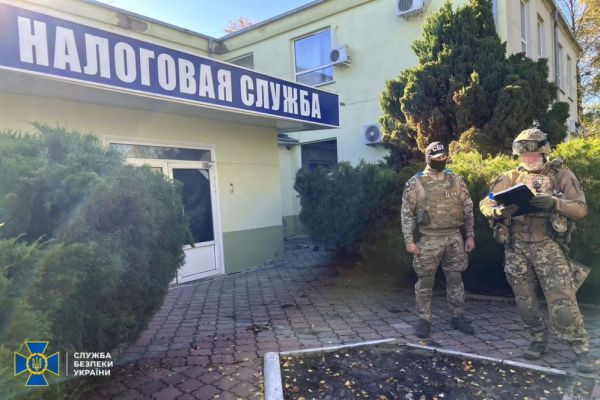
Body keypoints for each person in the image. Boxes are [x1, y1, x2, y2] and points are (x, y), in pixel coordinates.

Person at [479, 128, 597, 373]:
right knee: (524, 300)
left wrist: (555, 203)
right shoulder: (509, 177)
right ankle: (537, 339)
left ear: (544, 152)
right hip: (516, 247)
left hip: (547, 245)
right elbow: (487, 201)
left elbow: (580, 208)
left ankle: (580, 349)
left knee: (563, 300)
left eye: (534, 154)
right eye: (525, 155)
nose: (529, 159)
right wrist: (496, 211)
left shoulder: (561, 175)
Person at [401, 142, 476, 338]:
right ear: (428, 158)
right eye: (437, 158)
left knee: (455, 278)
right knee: (426, 280)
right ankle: (424, 319)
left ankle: (458, 316)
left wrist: (470, 235)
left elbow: (468, 207)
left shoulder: (455, 180)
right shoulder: (416, 182)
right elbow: (407, 213)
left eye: (444, 157)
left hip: (454, 237)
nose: (441, 161)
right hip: (429, 238)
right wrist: (409, 240)